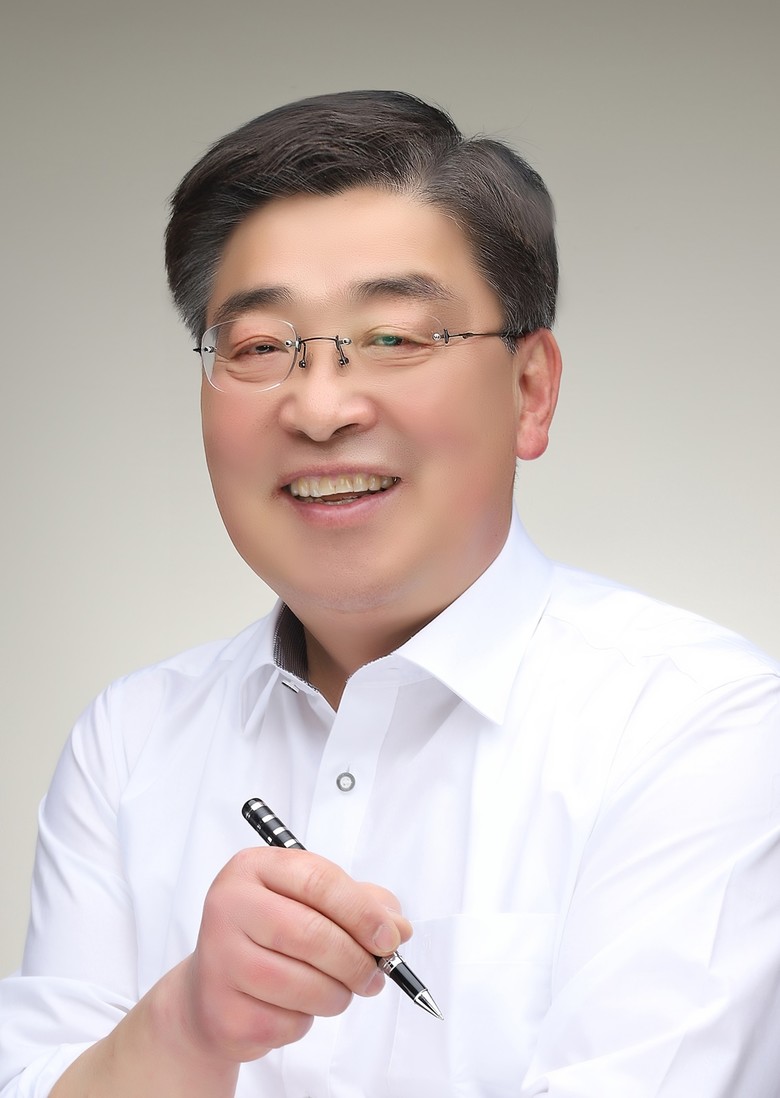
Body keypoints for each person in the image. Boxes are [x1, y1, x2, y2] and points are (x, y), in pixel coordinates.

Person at [0, 89, 778, 1098]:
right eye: (260, 347)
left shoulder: (698, 726)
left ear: (530, 390)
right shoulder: (130, 744)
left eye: (395, 338)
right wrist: (184, 1031)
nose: (321, 407)